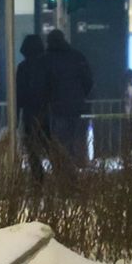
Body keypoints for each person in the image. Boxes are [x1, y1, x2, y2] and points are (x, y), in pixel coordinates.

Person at [41, 27, 93, 168]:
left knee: (59, 142)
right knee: (75, 139)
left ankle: (64, 172)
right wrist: (81, 95)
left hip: (56, 107)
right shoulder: (77, 57)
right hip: (76, 106)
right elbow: (88, 80)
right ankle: (74, 168)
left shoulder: (47, 60)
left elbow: (43, 84)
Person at [15, 33, 49, 174]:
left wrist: (16, 116)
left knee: (32, 149)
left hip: (29, 113)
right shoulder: (46, 64)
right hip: (47, 111)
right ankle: (63, 178)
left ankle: (37, 178)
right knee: (51, 146)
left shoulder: (23, 67)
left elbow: (19, 92)